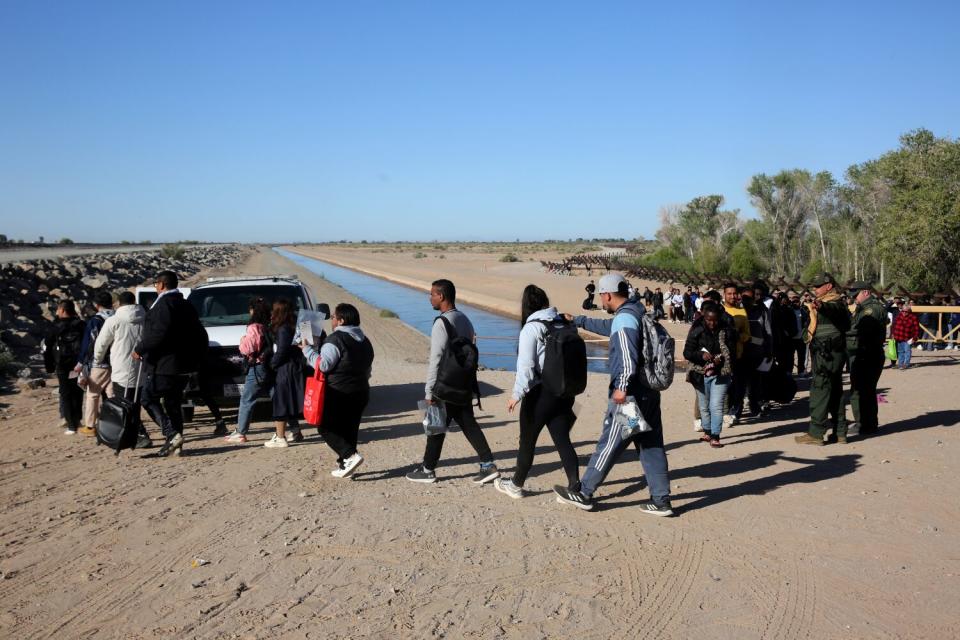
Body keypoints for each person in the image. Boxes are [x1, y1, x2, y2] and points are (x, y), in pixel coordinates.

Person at [557, 273, 673, 516]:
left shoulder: (624, 320)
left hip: (630, 396)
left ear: (607, 295)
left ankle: (585, 492)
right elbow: (609, 327)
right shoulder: (635, 312)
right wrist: (577, 320)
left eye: (602, 296)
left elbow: (627, 358)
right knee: (650, 444)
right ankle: (661, 500)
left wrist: (621, 388)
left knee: (610, 442)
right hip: (649, 393)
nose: (602, 300)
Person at [406, 279, 500, 484]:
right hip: (462, 383)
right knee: (468, 424)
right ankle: (487, 464)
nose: (430, 298)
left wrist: (429, 390)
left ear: (441, 296)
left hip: (444, 385)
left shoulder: (441, 322)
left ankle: (428, 470)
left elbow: (436, 359)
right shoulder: (465, 319)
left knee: (435, 426)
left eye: (432, 294)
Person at [494, 285, 580, 500]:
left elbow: (526, 365)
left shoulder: (531, 328)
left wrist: (517, 395)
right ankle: (575, 485)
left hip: (540, 392)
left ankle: (515, 485)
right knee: (562, 438)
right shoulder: (563, 322)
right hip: (564, 391)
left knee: (528, 440)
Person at [134, 270, 207, 457]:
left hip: (166, 364)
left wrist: (140, 348)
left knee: (147, 398)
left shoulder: (164, 305)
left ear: (161, 285)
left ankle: (171, 434)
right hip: (184, 365)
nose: (155, 288)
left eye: (155, 284)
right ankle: (177, 442)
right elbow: (201, 334)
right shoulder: (185, 304)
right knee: (172, 402)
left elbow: (158, 333)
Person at [301, 303, 374, 478]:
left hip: (339, 392)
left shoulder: (335, 339)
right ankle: (346, 465)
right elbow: (368, 368)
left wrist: (307, 350)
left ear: (341, 320)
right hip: (361, 390)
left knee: (325, 427)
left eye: (333, 317)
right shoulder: (365, 340)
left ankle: (350, 456)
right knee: (350, 428)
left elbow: (323, 365)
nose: (331, 320)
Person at [796, 273, 851, 445]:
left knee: (819, 391)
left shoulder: (834, 303)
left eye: (818, 286)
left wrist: (821, 306)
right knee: (835, 392)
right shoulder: (831, 302)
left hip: (827, 355)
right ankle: (840, 432)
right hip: (829, 353)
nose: (814, 289)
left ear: (828, 286)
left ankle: (816, 433)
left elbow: (833, 310)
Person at [94, 291, 151, 448]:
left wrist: (98, 359)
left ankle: (134, 435)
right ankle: (136, 434)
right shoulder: (146, 318)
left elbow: (101, 344)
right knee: (135, 402)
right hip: (141, 367)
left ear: (119, 303)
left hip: (121, 368)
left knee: (123, 404)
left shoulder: (114, 320)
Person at [684, 303, 735, 448]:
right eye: (708, 320)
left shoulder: (727, 331)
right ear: (704, 317)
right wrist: (701, 355)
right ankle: (707, 431)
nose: (712, 323)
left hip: (721, 373)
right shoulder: (697, 330)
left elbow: (732, 351)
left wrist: (722, 358)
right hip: (700, 373)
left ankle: (715, 436)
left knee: (716, 406)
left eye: (715, 320)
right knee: (704, 405)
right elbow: (687, 352)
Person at [224, 298, 273, 443]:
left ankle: (241, 432)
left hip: (257, 367)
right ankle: (295, 429)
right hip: (268, 366)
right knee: (277, 398)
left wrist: (242, 341)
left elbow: (248, 348)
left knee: (247, 399)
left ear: (253, 310)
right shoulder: (267, 326)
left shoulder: (254, 327)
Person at [845, 281, 887, 438]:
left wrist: (843, 331)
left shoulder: (872, 309)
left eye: (856, 295)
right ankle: (867, 424)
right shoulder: (863, 308)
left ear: (866, 292)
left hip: (868, 353)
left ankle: (865, 424)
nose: (854, 298)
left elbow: (862, 331)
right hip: (866, 353)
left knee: (863, 391)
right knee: (864, 390)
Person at [263, 298, 304, 448]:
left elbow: (282, 351)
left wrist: (273, 364)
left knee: (281, 402)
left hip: (286, 369)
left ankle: (280, 437)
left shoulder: (283, 329)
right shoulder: (297, 326)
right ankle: (296, 431)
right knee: (290, 401)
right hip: (294, 368)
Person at [76, 291, 115, 436]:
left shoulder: (95, 321)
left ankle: (90, 426)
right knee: (112, 394)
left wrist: (81, 362)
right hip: (117, 362)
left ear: (97, 305)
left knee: (93, 394)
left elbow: (88, 343)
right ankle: (116, 421)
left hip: (100, 363)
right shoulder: (118, 317)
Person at [43, 300, 85, 435]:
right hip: (79, 364)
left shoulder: (55, 326)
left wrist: (49, 366)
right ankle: (78, 420)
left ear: (62, 310)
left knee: (65, 393)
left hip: (62, 364)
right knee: (78, 392)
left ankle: (71, 425)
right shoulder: (81, 325)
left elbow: (47, 348)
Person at [722, 283, 750, 423]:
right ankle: (724, 412)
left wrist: (739, 337)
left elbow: (747, 334)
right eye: (729, 293)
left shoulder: (742, 313)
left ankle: (736, 412)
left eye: (734, 294)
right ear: (724, 294)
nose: (732, 296)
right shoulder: (719, 311)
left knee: (739, 386)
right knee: (724, 386)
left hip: (739, 355)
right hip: (722, 356)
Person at [890, 300, 920, 370]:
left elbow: (917, 329)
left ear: (909, 311)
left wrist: (915, 338)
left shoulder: (913, 317)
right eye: (903, 311)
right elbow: (894, 325)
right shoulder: (899, 315)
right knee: (900, 351)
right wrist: (893, 334)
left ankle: (906, 364)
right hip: (899, 337)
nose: (903, 312)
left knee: (907, 351)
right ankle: (900, 364)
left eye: (905, 311)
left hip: (908, 338)